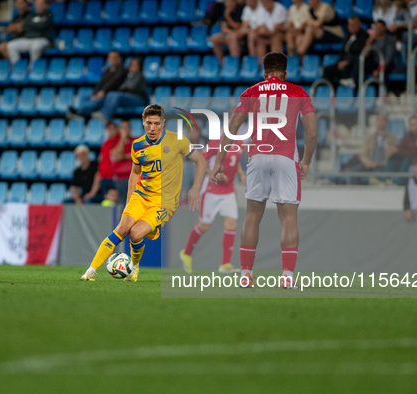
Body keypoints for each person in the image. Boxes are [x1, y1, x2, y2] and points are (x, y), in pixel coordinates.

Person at [210, 52, 317, 289]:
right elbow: (312, 133)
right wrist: (306, 161)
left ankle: (246, 274)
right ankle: (287, 277)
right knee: (288, 218)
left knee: (252, 215)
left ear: (265, 73)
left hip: (257, 156)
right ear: (285, 74)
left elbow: (232, 127)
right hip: (286, 157)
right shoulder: (299, 92)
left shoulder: (251, 92)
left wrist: (219, 161)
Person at [80, 104, 206, 282]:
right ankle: (90, 272)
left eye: (156, 123)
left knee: (136, 234)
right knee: (122, 229)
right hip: (141, 195)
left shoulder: (178, 140)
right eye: (148, 123)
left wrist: (195, 188)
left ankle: (135, 268)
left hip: (165, 202)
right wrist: (130, 199)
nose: (152, 128)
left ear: (162, 123)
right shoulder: (138, 145)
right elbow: (135, 173)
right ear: (143, 122)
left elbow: (200, 161)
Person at [179, 139, 246, 274]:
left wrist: (241, 172)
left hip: (228, 190)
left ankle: (225, 264)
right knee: (204, 225)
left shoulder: (239, 143)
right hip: (211, 189)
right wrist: (213, 173)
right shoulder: (215, 144)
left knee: (231, 224)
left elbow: (235, 159)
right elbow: (199, 162)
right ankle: (186, 253)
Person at [67, 51, 127, 119]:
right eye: (111, 58)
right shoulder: (107, 71)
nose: (113, 59)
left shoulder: (122, 70)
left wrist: (103, 91)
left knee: (96, 100)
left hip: (110, 96)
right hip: (102, 93)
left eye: (115, 57)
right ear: (108, 59)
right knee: (85, 97)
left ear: (119, 58)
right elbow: (100, 83)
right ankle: (82, 114)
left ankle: (79, 112)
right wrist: (94, 93)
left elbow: (113, 83)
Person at [322, 16, 370, 87]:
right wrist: (340, 62)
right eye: (349, 25)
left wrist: (347, 62)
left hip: (353, 65)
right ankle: (333, 92)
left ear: (359, 25)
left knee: (348, 68)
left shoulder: (364, 37)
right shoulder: (347, 37)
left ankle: (348, 92)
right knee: (327, 70)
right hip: (344, 63)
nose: (351, 27)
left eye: (353, 25)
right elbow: (342, 52)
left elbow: (360, 54)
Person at [6, 0, 53, 65]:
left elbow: (42, 26)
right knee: (11, 45)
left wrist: (31, 24)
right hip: (28, 38)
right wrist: (37, 24)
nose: (38, 6)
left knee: (36, 46)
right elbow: (25, 26)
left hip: (42, 39)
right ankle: (17, 68)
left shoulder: (49, 15)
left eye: (40, 4)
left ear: (45, 5)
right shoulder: (30, 15)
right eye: (37, 4)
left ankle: (32, 68)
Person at [384, 116, 417, 182]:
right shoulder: (408, 136)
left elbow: (414, 153)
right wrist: (394, 149)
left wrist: (398, 150)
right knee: (392, 160)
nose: (415, 127)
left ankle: (400, 182)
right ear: (409, 126)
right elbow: (402, 147)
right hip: (405, 158)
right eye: (413, 125)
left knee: (407, 159)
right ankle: (385, 181)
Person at [83, 122, 119, 203]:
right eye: (109, 129)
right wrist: (92, 192)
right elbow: (101, 165)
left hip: (115, 178)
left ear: (117, 129)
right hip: (104, 178)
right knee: (106, 203)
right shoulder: (105, 144)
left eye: (113, 128)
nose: (111, 131)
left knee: (116, 202)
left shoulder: (120, 142)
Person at [356, 20, 398, 84]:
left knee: (383, 71)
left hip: (388, 64)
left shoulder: (390, 39)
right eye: (376, 27)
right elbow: (365, 54)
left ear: (384, 28)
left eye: (380, 27)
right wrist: (369, 40)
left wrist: (378, 70)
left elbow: (388, 59)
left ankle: (385, 91)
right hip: (376, 63)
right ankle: (355, 84)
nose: (377, 29)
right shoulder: (373, 40)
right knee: (361, 61)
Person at [251, 0, 288, 64]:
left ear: (272, 1)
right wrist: (261, 33)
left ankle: (277, 65)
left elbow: (277, 28)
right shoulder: (262, 9)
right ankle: (261, 66)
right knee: (260, 40)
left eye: (266, 2)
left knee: (276, 39)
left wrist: (264, 32)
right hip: (269, 35)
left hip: (281, 34)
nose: (265, 4)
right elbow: (262, 27)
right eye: (263, 3)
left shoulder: (280, 8)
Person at [109, 120, 134, 205]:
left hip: (134, 177)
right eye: (122, 127)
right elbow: (116, 156)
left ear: (130, 129)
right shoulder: (114, 141)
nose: (125, 130)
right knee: (122, 204)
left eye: (126, 127)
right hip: (120, 179)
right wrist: (123, 139)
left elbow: (140, 154)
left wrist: (122, 156)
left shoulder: (137, 140)